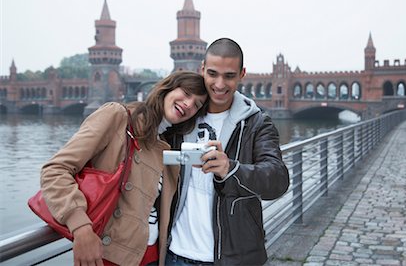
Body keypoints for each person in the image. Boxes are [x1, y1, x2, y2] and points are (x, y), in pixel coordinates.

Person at [40, 71, 209, 266]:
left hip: (152, 257)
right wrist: (80, 227)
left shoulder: (166, 145)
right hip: (108, 256)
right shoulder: (118, 117)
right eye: (187, 93)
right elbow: (55, 170)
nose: (188, 104)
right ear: (168, 87)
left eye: (197, 104)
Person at [159, 38, 290, 265]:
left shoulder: (257, 123)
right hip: (175, 254)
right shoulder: (184, 116)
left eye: (229, 76)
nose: (219, 84)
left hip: (234, 258)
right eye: (212, 74)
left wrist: (231, 169)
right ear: (202, 69)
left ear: (242, 74)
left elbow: (278, 180)